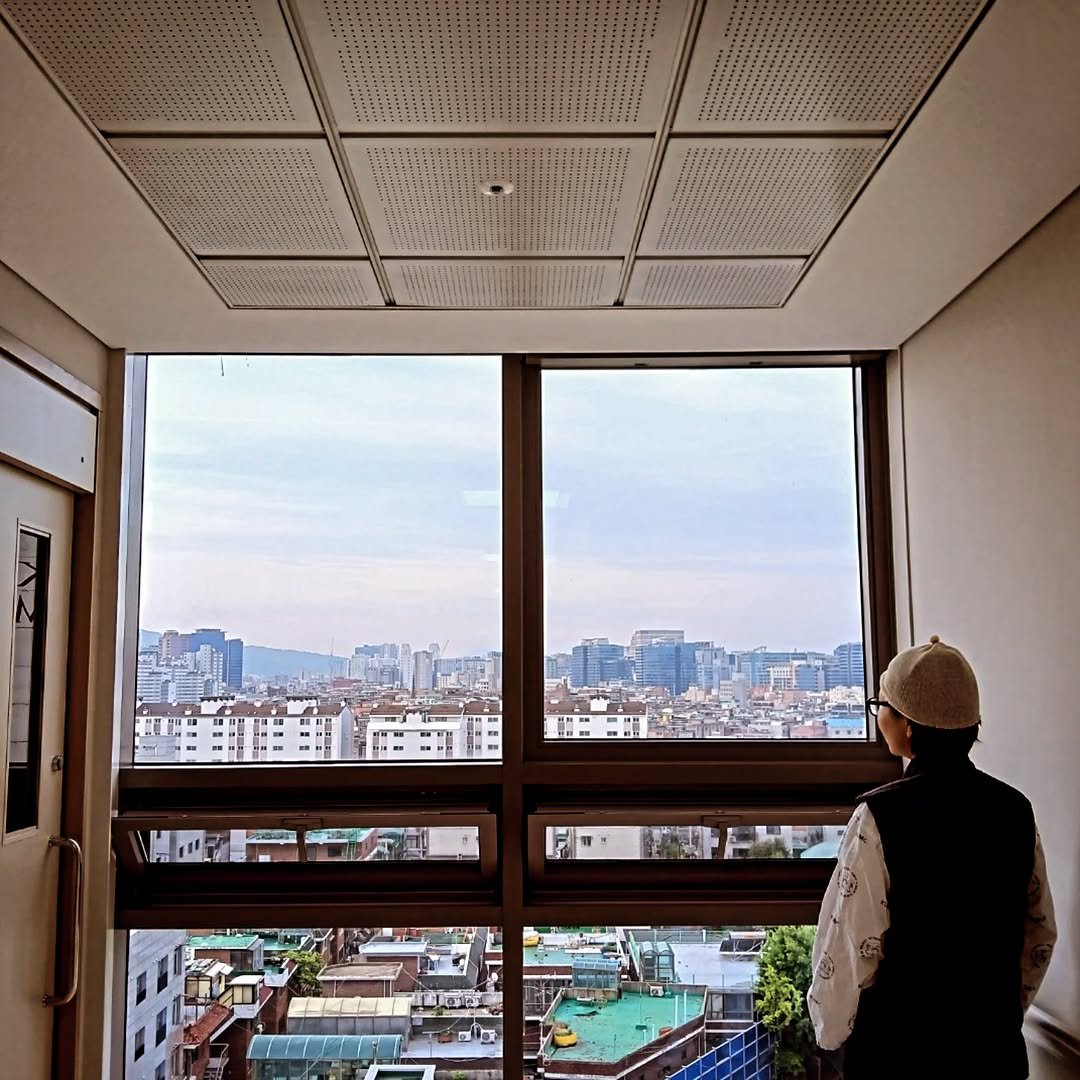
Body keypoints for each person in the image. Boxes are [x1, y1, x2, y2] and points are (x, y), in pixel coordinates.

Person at [807, 636, 1056, 1078]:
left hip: (899, 1050)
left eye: (880, 705)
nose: (877, 715)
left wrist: (830, 1036)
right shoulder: (1014, 809)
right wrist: (1002, 1013)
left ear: (908, 725)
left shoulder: (879, 815)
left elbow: (849, 944)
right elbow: (1039, 932)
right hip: (992, 1050)